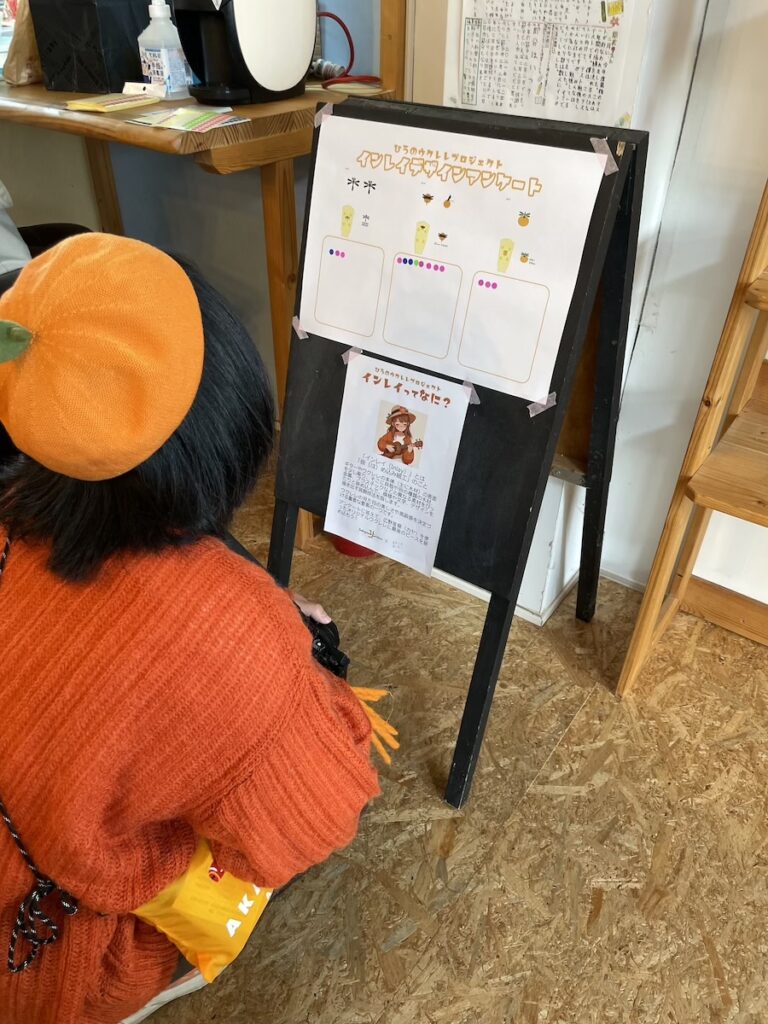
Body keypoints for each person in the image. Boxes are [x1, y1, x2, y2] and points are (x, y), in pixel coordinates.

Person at [0, 233, 380, 1024]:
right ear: (225, 413)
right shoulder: (231, 633)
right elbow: (313, 823)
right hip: (47, 953)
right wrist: (301, 671)